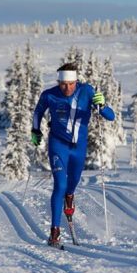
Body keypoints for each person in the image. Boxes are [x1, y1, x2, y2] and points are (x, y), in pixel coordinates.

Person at [31, 63, 115, 247]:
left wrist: (102, 105)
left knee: (72, 184)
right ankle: (54, 232)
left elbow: (110, 116)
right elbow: (38, 112)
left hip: (78, 149)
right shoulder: (49, 95)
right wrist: (35, 131)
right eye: (63, 84)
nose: (67, 88)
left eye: (71, 84)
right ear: (58, 81)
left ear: (76, 81)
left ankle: (70, 195)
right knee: (59, 185)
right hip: (57, 146)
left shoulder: (87, 91)